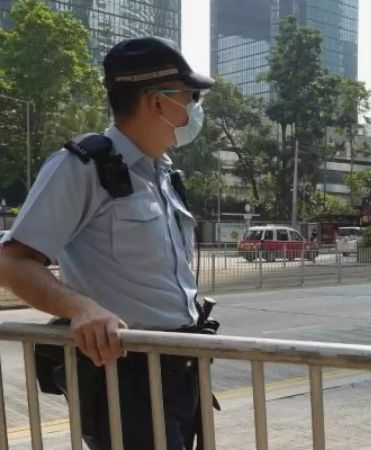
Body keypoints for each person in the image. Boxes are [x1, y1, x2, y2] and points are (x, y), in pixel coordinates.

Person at [0, 36, 216, 450]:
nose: (193, 109)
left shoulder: (163, 175)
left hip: (180, 367)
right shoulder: (83, 167)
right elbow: (14, 261)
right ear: (157, 102)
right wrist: (80, 307)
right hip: (125, 375)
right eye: (190, 97)